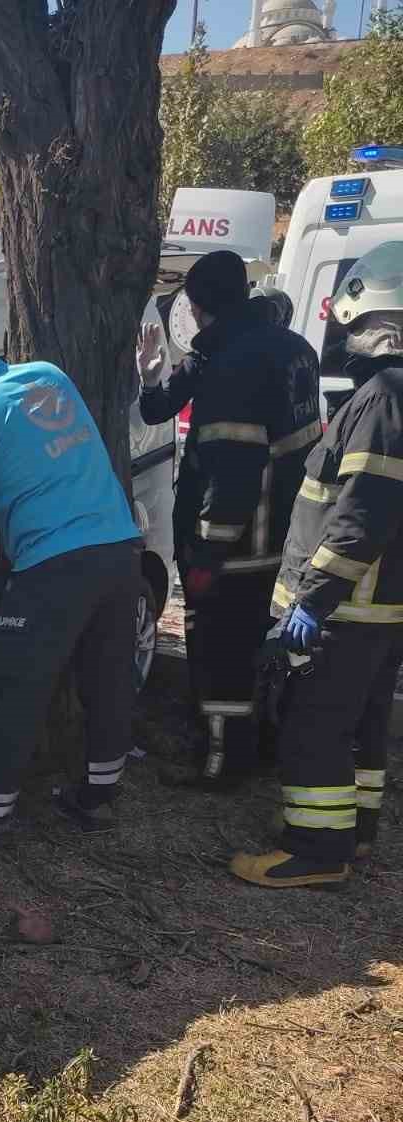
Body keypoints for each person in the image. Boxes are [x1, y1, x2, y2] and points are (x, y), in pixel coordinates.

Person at [0, 318, 142, 843]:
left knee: (20, 685)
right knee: (107, 679)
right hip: (118, 548)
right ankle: (98, 800)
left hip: (55, 564)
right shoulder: (49, 375)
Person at [231, 240, 403, 889]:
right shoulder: (391, 397)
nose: (347, 336)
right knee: (360, 728)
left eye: (354, 325)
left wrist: (311, 601)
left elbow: (362, 514)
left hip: (346, 611)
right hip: (376, 609)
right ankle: (352, 837)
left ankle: (314, 850)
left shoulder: (385, 398)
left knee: (313, 725)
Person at [136, 251, 319, 789]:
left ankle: (223, 761)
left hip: (239, 544)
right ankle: (258, 740)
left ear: (194, 306)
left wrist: (205, 557)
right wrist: (152, 378)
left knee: (220, 650)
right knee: (251, 643)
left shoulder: (234, 366)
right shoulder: (289, 348)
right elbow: (158, 409)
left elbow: (232, 476)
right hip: (284, 534)